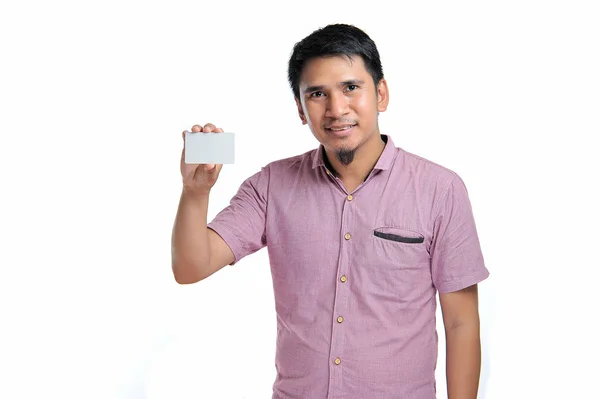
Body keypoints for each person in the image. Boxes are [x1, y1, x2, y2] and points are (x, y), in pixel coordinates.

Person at [171, 23, 489, 399]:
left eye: (351, 88)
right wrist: (195, 192)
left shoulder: (440, 189)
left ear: (381, 93)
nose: (337, 109)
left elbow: (461, 322)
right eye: (318, 94)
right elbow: (191, 267)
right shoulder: (272, 186)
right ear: (301, 110)